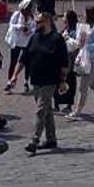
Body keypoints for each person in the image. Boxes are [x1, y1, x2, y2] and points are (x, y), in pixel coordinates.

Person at [22, 12, 68, 154]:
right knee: (46, 111)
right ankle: (51, 139)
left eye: (40, 22)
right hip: (36, 80)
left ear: (47, 21)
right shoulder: (34, 37)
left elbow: (64, 62)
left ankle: (34, 140)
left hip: (50, 80)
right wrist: (14, 76)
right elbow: (25, 57)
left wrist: (62, 81)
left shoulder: (57, 39)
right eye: (36, 22)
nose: (37, 25)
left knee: (40, 110)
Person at [72, 6, 94, 118]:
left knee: (83, 86)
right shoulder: (87, 28)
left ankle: (78, 111)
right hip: (88, 59)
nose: (83, 16)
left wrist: (86, 46)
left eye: (85, 13)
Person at [3, 0, 34, 92]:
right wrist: (20, 27)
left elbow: (34, 28)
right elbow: (11, 25)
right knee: (13, 61)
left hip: (27, 42)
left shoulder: (32, 17)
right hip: (16, 42)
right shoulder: (17, 15)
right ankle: (10, 82)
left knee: (26, 62)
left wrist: (29, 31)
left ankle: (26, 82)